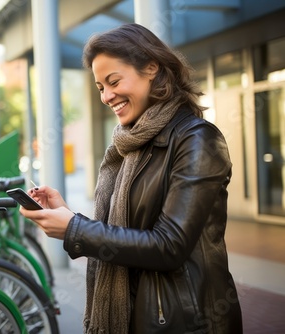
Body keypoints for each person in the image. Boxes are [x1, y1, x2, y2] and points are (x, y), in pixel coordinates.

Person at [19, 23, 243, 334]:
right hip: (136, 314)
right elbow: (129, 232)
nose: (107, 96)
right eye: (100, 87)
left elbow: (169, 246)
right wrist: (69, 217)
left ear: (152, 68)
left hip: (183, 319)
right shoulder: (129, 144)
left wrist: (76, 229)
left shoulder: (196, 140)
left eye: (113, 81)